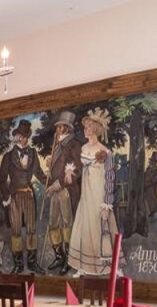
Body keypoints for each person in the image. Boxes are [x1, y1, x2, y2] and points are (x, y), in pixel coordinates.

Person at [67, 109, 118, 276]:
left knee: (100, 228)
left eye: (89, 127)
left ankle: (107, 266)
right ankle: (84, 265)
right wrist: (70, 172)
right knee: (85, 227)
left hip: (98, 195)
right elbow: (80, 169)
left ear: (95, 129)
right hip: (86, 195)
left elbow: (110, 178)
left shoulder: (105, 151)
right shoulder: (83, 148)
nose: (86, 129)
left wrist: (107, 204)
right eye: (86, 127)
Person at [0, 119, 47, 273]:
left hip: (29, 195)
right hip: (15, 197)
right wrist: (7, 196)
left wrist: (49, 183)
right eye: (20, 135)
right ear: (16, 136)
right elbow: (1, 179)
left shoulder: (33, 153)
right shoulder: (8, 156)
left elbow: (39, 173)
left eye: (25, 136)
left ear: (27, 137)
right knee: (16, 230)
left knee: (32, 229)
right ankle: (18, 264)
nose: (22, 138)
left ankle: (32, 263)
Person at [44, 111, 83, 274]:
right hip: (55, 191)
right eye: (57, 127)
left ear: (67, 128)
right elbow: (56, 168)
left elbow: (77, 169)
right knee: (53, 224)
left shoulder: (74, 145)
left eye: (60, 127)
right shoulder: (56, 145)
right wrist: (50, 168)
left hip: (66, 190)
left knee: (67, 224)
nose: (58, 130)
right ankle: (59, 256)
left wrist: (59, 183)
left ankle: (68, 258)